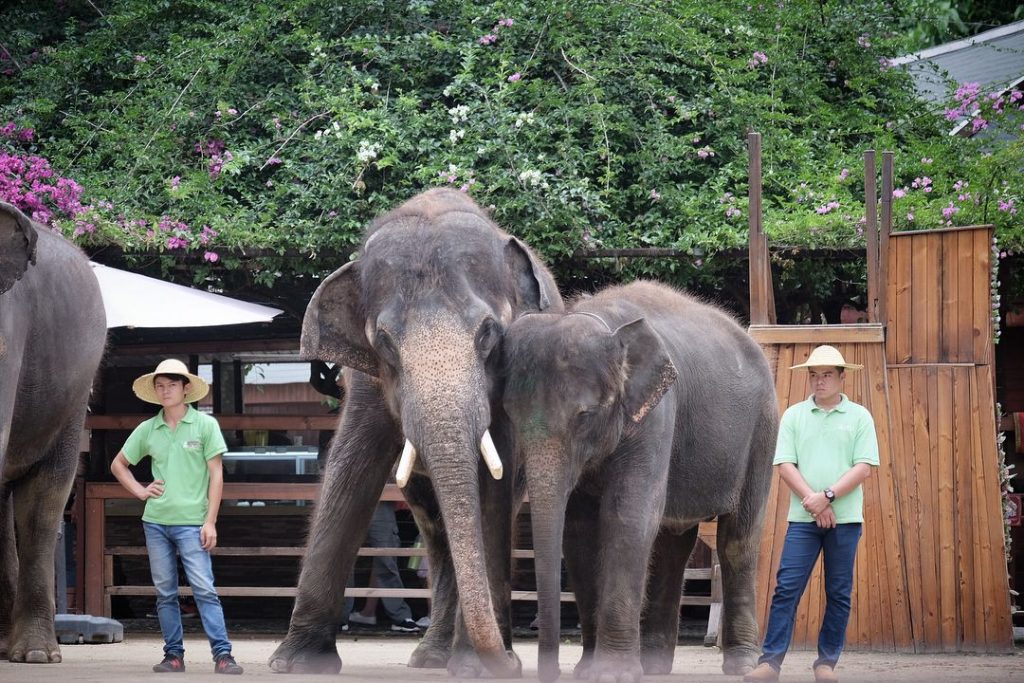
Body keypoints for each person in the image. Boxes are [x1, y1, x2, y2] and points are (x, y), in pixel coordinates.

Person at [744, 345, 879, 683]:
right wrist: (813, 500)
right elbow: (784, 464)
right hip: (804, 520)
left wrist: (829, 496)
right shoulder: (793, 415)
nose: (819, 382)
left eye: (827, 375)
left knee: (838, 591)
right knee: (787, 588)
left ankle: (826, 663)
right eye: (814, 375)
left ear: (842, 377)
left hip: (845, 520)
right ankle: (769, 663)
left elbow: (864, 467)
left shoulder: (860, 417)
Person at [110, 359, 243, 675]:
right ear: (155, 391)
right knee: (165, 593)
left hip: (193, 522)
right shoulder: (148, 428)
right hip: (155, 522)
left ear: (186, 389)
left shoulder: (205, 425)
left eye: (172, 384)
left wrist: (210, 521)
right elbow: (119, 464)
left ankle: (223, 655)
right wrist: (141, 492)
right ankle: (173, 656)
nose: (165, 390)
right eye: (160, 385)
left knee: (204, 589)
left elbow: (217, 475)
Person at [307, 361, 421, 633]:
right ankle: (339, 614)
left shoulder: (382, 406)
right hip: (346, 498)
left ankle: (398, 613)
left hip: (379, 494)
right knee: (341, 553)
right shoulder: (332, 418)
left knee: (386, 553)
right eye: (345, 378)